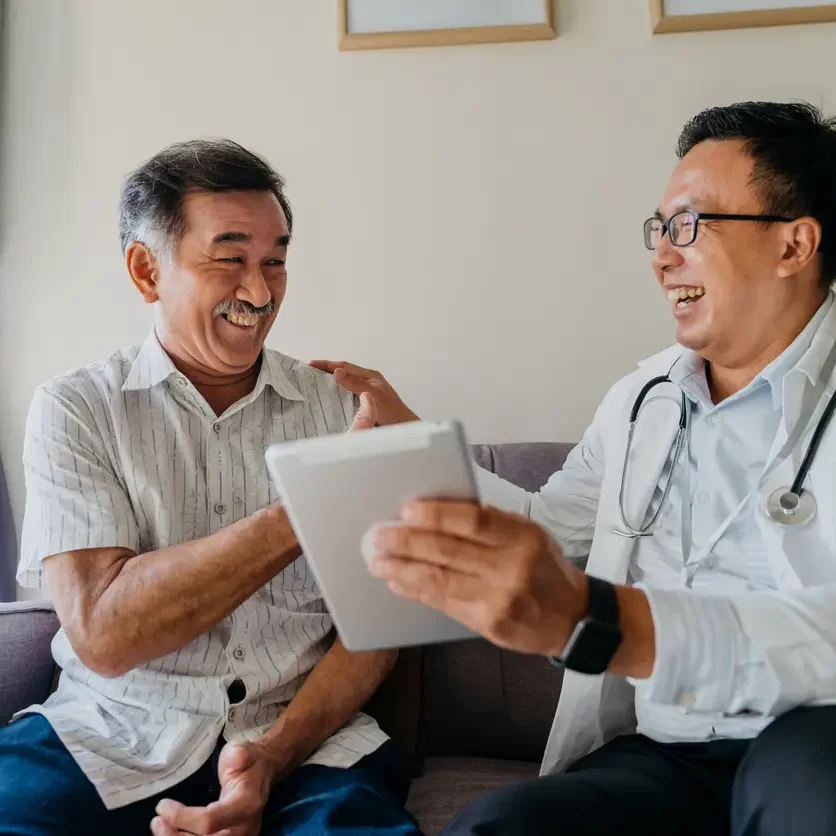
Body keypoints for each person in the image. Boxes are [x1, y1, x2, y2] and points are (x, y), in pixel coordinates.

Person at [316, 101, 836, 836]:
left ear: (794, 245)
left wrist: (606, 623)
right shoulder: (641, 400)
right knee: (497, 828)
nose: (661, 255)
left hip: (812, 742)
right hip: (667, 753)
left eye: (689, 225)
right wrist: (414, 441)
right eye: (658, 230)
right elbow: (550, 527)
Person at [0, 140, 420, 836]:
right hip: (105, 735)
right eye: (230, 259)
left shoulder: (345, 408)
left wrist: (274, 755)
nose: (260, 293)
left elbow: (376, 629)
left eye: (275, 260)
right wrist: (312, 501)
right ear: (146, 269)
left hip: (307, 744)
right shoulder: (75, 408)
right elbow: (104, 632)